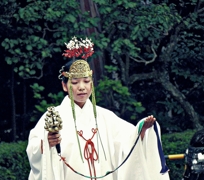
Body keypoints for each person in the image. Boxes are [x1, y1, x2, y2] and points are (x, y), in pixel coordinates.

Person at [26, 37, 170, 180]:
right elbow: (33, 150)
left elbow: (129, 142)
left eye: (86, 81)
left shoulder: (105, 117)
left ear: (92, 83)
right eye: (75, 82)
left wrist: (142, 131)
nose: (81, 87)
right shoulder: (53, 117)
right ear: (64, 85)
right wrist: (46, 143)